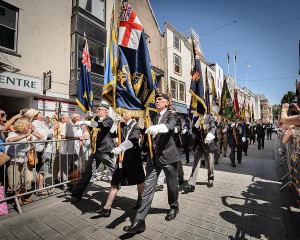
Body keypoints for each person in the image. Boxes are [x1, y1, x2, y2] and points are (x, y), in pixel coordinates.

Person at [123, 93, 181, 234]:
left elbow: (170, 126)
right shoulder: (152, 116)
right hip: (152, 157)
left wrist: (158, 128)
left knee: (172, 185)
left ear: (167, 103)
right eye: (156, 100)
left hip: (167, 156)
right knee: (148, 187)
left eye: (160, 100)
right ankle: (139, 221)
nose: (157, 101)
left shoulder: (172, 115)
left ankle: (173, 206)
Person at [93, 111, 145, 217]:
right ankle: (107, 208)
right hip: (121, 157)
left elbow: (134, 140)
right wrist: (115, 123)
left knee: (140, 180)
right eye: (122, 114)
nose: (123, 115)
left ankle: (140, 199)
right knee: (115, 181)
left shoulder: (137, 125)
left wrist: (121, 147)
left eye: (126, 113)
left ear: (133, 114)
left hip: (133, 156)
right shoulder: (121, 124)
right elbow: (112, 134)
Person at [70, 104, 116, 200]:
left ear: (106, 111)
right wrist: (86, 120)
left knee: (114, 170)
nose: (97, 110)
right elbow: (91, 130)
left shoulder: (109, 120)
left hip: (105, 150)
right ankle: (77, 192)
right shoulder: (95, 119)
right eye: (97, 109)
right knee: (88, 171)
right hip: (95, 150)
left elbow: (101, 125)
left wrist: (85, 122)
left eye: (99, 109)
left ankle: (121, 182)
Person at [185, 113, 217, 193]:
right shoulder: (196, 118)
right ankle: (191, 183)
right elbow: (194, 130)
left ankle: (210, 178)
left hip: (208, 144)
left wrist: (210, 134)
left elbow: (213, 127)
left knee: (210, 163)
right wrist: (197, 122)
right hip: (199, 144)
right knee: (195, 163)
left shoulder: (210, 117)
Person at [6, 118, 35, 204]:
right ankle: (18, 198)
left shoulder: (29, 134)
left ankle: (22, 196)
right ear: (21, 126)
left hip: (25, 159)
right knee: (14, 181)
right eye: (27, 125)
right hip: (14, 160)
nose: (29, 127)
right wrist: (26, 135)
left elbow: (33, 144)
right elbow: (10, 140)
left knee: (28, 179)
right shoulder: (13, 133)